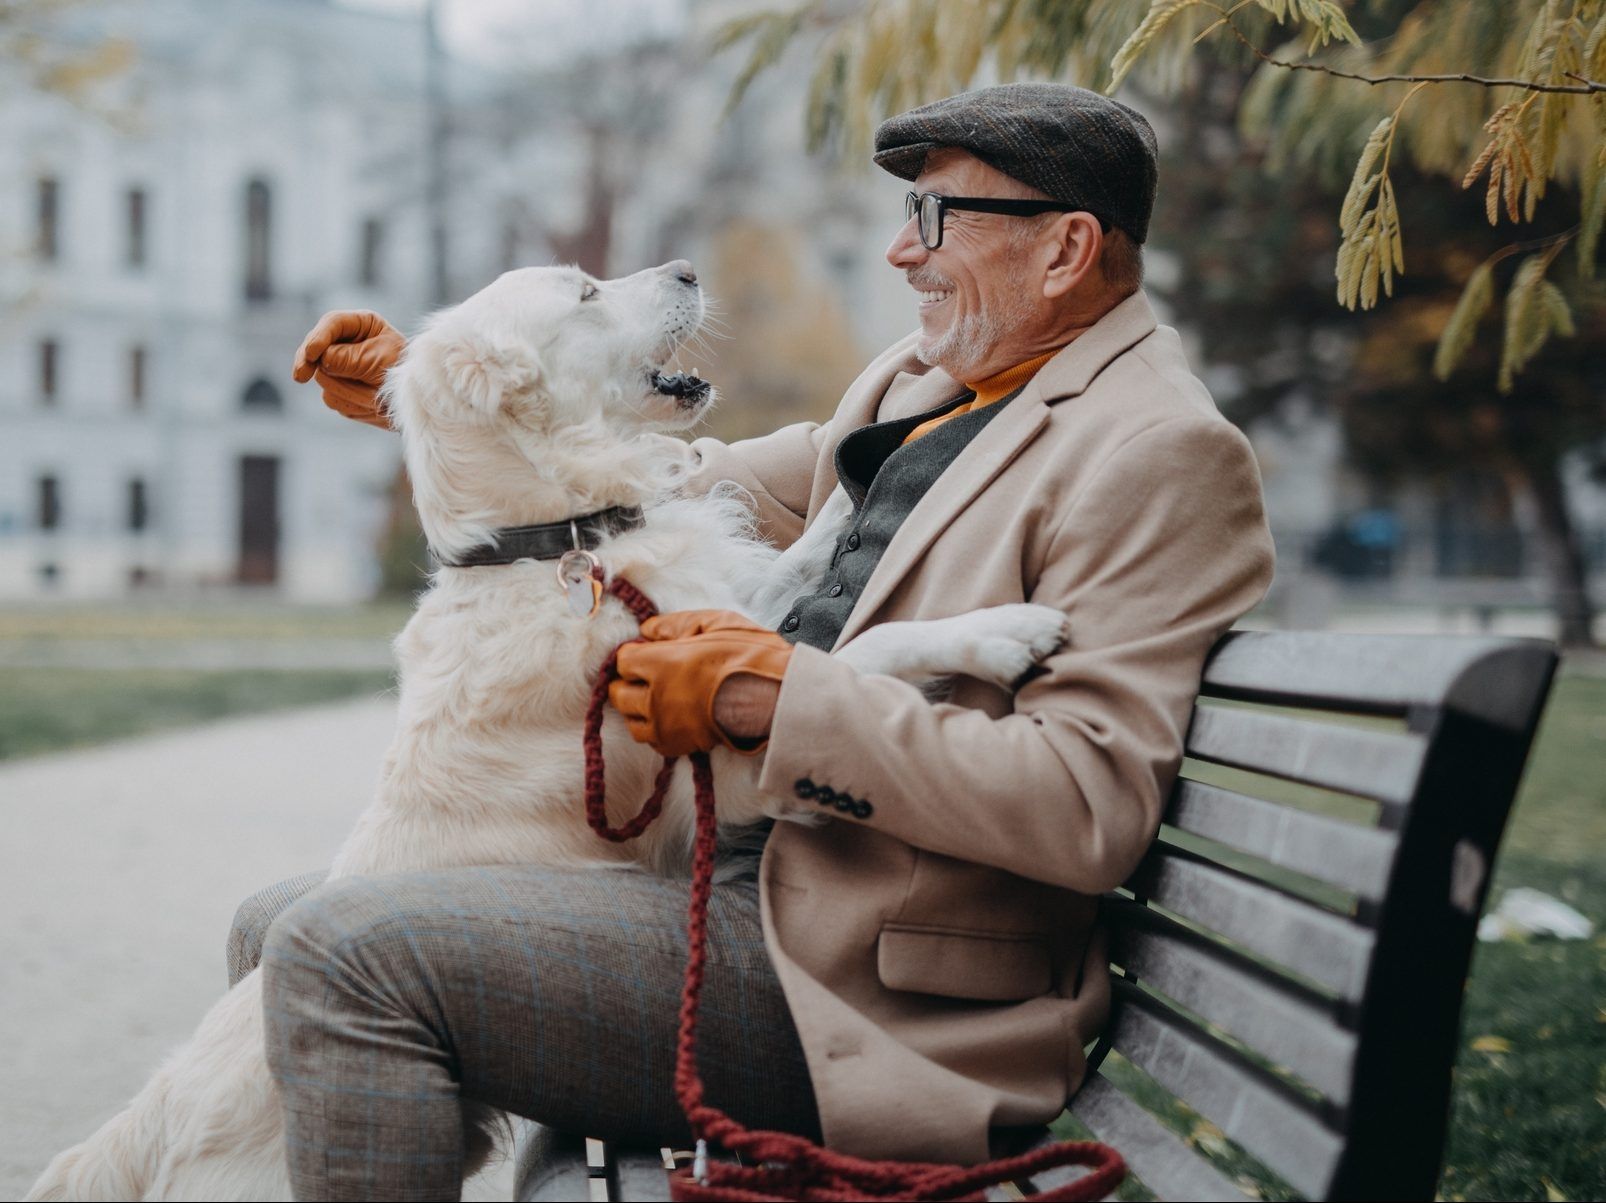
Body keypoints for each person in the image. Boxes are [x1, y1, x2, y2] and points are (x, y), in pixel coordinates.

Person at [243, 82, 1275, 1199]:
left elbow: (1084, 808)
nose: (897, 252)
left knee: (339, 952)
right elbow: (686, 483)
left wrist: (777, 700)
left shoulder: (1158, 450)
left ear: (1066, 248)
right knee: (281, 922)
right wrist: (454, 398)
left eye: (933, 220)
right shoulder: (928, 381)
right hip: (742, 884)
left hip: (859, 985)